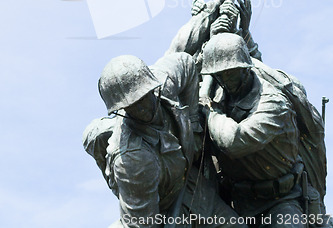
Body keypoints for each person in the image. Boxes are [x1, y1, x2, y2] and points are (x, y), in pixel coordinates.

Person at [84, 52, 248, 228]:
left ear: (151, 87)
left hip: (189, 184)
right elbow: (143, 224)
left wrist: (194, 126)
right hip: (162, 205)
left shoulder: (164, 81)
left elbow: (186, 64)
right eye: (131, 106)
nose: (140, 109)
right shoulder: (132, 159)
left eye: (142, 98)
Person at [200, 32, 326, 227]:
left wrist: (210, 113)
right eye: (219, 74)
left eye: (230, 72)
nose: (224, 79)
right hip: (236, 200)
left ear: (245, 68)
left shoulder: (273, 102)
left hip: (281, 200)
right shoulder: (219, 94)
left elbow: (236, 141)